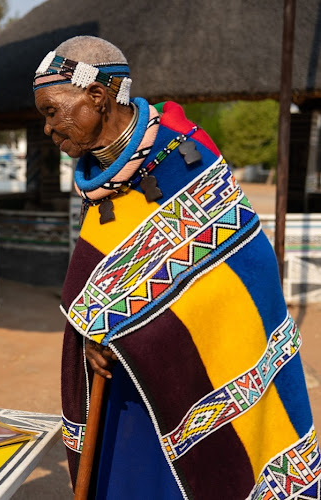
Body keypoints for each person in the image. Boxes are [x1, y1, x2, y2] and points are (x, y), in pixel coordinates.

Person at [33, 36, 319, 499]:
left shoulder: (186, 160)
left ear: (97, 96)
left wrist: (132, 329)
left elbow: (245, 273)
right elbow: (100, 282)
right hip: (127, 385)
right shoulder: (100, 181)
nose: (47, 128)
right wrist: (94, 334)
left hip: (199, 372)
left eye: (51, 111)